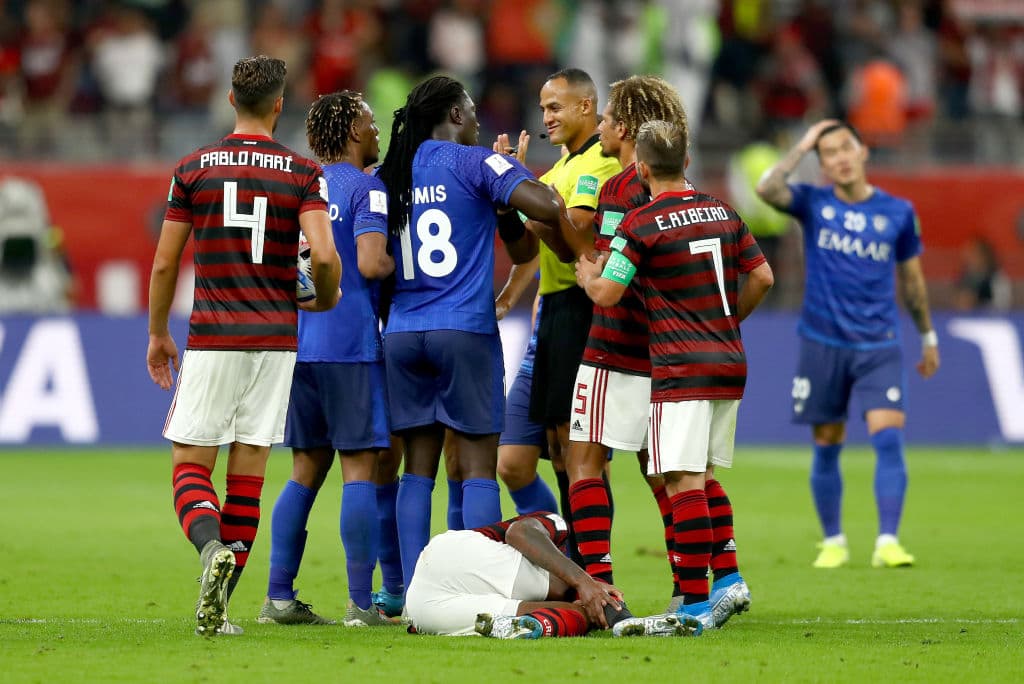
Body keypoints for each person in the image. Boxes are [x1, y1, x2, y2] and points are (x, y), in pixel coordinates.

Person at [146, 55, 341, 636]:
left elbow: (163, 264)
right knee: (249, 473)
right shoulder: (303, 174)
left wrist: (158, 334)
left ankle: (210, 551)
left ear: (230, 100)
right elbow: (325, 257)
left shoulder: (194, 168)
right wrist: (325, 296)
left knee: (190, 462)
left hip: (213, 335)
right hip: (276, 342)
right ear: (281, 104)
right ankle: (221, 607)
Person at [375, 75, 577, 596]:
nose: (480, 120)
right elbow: (549, 209)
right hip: (463, 329)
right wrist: (513, 172)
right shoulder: (476, 162)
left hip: (400, 332)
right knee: (478, 466)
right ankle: (478, 587)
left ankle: (405, 590)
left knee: (417, 469)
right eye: (473, 109)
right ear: (457, 115)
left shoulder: (387, 171)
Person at [577, 120, 774, 630]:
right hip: (729, 361)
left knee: (681, 480)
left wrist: (587, 276)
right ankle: (727, 581)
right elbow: (763, 276)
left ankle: (691, 609)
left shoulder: (640, 224)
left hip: (680, 368)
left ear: (640, 167)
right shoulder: (724, 212)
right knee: (703, 476)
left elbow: (609, 294)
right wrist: (727, 322)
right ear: (686, 161)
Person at [755, 119, 940, 569]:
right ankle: (834, 541)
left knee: (889, 438)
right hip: (823, 342)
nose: (837, 158)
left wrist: (928, 336)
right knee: (827, 441)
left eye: (844, 149)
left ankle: (888, 542)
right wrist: (802, 145)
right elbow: (765, 189)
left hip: (879, 344)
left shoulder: (898, 212)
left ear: (862, 152)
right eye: (828, 153)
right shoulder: (813, 202)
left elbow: (912, 282)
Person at [257, 91, 398, 628]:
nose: (377, 128)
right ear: (356, 133)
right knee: (360, 468)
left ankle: (278, 598)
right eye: (370, 120)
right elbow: (367, 260)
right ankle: (362, 604)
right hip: (350, 343)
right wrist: (392, 264)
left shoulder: (299, 185)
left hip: (300, 343)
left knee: (303, 470)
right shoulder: (368, 188)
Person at [565, 75, 691, 610]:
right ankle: (696, 586)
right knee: (664, 474)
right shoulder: (673, 186)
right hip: (662, 350)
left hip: (615, 346)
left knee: (585, 460)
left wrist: (589, 273)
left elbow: (615, 274)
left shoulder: (620, 189)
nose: (601, 125)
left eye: (609, 117)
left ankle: (599, 586)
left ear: (627, 128)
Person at [500, 67, 620, 565]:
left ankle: (594, 565)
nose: (545, 116)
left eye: (555, 107)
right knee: (521, 458)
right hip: (549, 314)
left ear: (585, 107)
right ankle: (569, 552)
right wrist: (510, 198)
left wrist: (529, 192)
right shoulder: (555, 173)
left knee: (580, 454)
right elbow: (530, 246)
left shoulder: (602, 166)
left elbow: (580, 243)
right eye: (544, 107)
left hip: (585, 313)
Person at [405, 511, 700, 638]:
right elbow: (519, 531)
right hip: (452, 556)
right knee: (567, 595)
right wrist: (585, 581)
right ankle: (621, 620)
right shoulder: (556, 524)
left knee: (531, 615)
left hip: (422, 608)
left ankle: (520, 630)